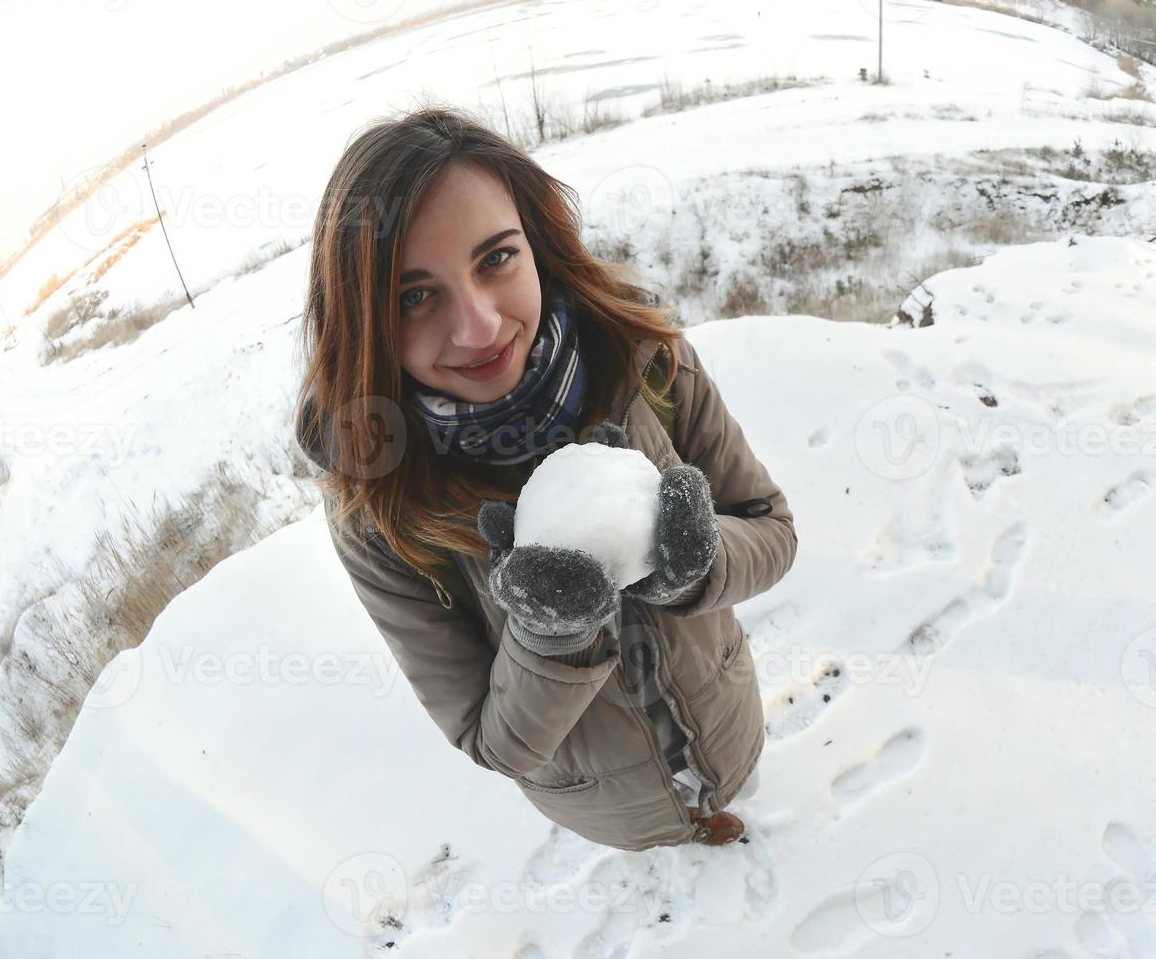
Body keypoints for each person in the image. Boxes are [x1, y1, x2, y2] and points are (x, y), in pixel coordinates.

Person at [293, 104, 795, 851]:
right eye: (414, 296)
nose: (479, 327)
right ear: (365, 321)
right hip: (609, 807)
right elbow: (488, 739)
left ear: (537, 243)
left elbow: (771, 529)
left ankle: (717, 813)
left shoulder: (646, 360)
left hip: (728, 723)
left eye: (495, 257)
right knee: (667, 859)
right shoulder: (381, 512)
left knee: (738, 807)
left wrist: (698, 567)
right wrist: (551, 638)